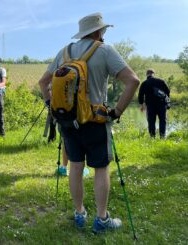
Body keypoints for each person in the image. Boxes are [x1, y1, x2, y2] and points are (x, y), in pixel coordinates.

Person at [38, 13, 140, 233]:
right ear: (97, 31)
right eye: (103, 31)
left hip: (67, 120)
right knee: (101, 169)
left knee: (75, 166)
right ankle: (102, 219)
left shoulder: (64, 52)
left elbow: (43, 82)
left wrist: (52, 107)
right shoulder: (104, 50)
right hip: (95, 121)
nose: (104, 34)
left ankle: (79, 213)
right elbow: (133, 80)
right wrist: (117, 111)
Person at [138, 69, 170, 138]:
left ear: (147, 74)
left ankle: (152, 137)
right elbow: (167, 91)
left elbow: (140, 95)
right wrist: (167, 102)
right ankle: (162, 136)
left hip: (150, 105)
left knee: (151, 121)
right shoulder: (161, 81)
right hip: (161, 104)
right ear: (153, 74)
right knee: (162, 120)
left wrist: (142, 104)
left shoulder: (144, 83)